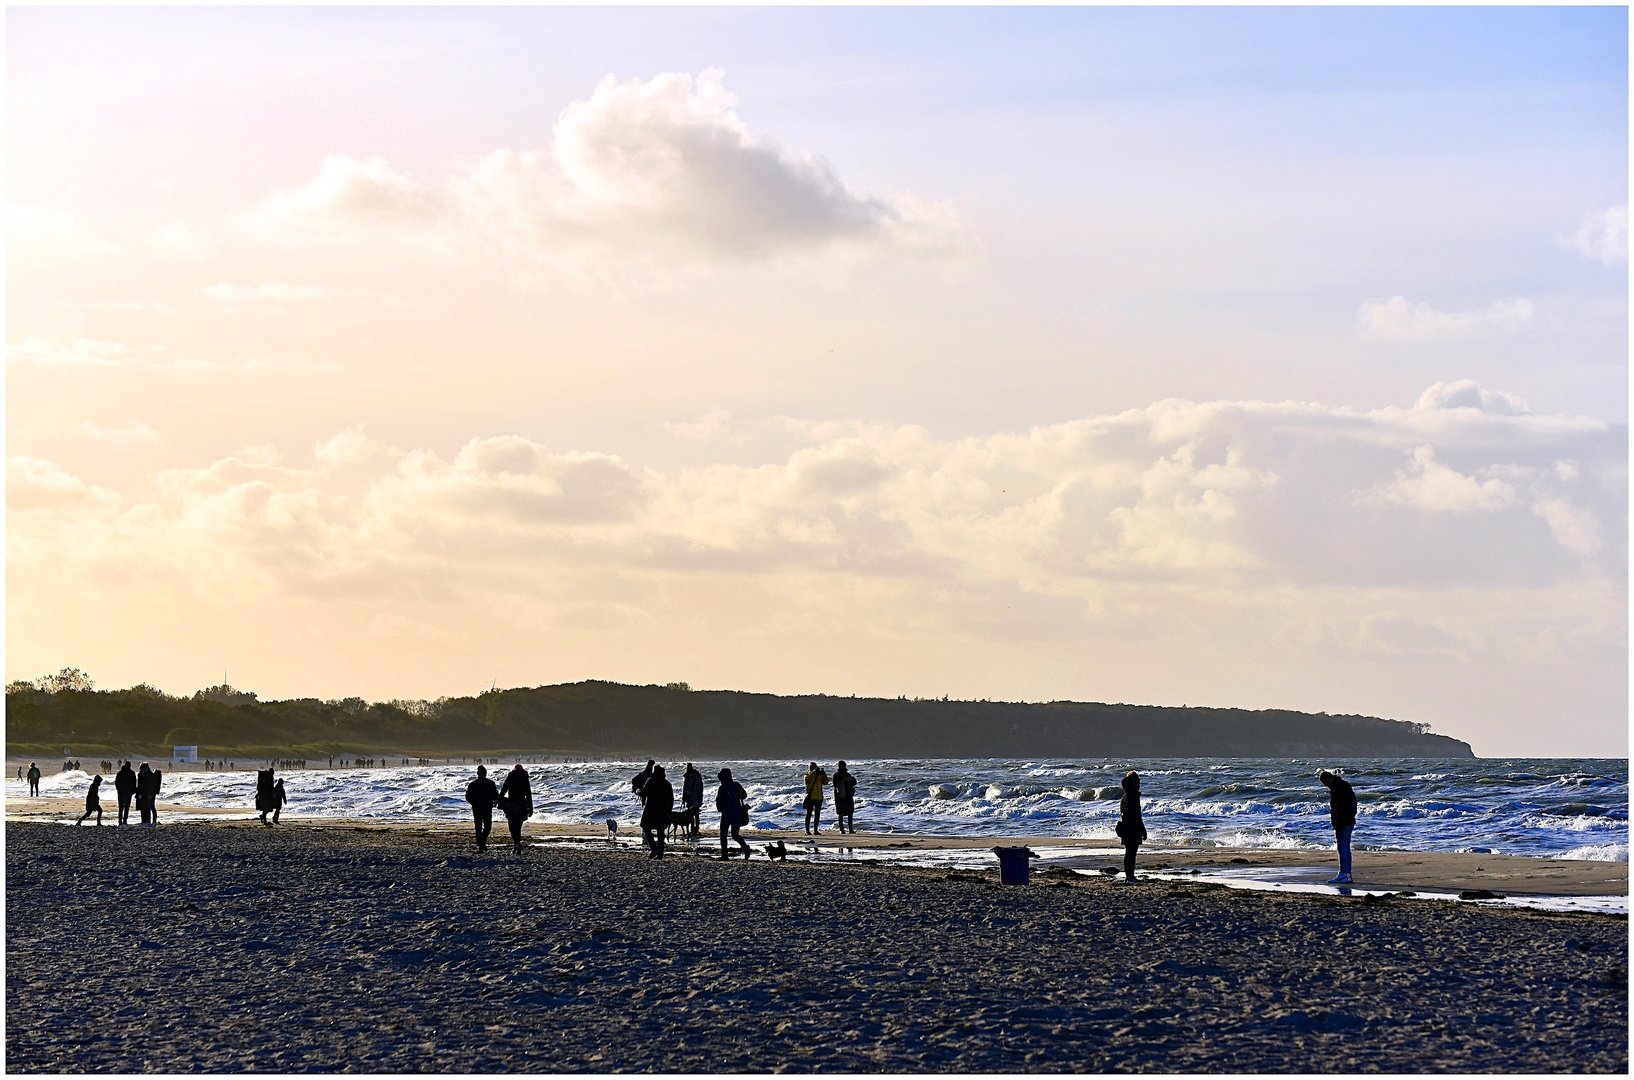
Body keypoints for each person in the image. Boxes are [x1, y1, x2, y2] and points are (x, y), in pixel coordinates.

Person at [1319, 769, 1357, 884]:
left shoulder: (1337, 788)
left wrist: (1337, 824)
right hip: (1349, 820)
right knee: (1345, 847)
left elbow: (1339, 808)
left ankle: (1344, 874)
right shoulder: (1344, 785)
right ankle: (1347, 874)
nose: (1326, 786)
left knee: (1342, 848)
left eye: (1325, 784)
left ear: (1328, 779)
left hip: (1343, 822)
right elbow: (1353, 802)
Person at [1115, 771, 1147, 884]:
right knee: (1131, 853)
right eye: (1137, 781)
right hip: (1132, 828)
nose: (1139, 783)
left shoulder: (1126, 796)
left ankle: (1129, 876)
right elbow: (1137, 815)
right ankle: (1130, 876)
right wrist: (1142, 830)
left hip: (1127, 828)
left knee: (1128, 852)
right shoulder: (1133, 796)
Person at [715, 767, 751, 859]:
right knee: (735, 834)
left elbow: (719, 801)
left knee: (723, 834)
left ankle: (725, 855)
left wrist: (721, 808)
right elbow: (744, 795)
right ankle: (745, 847)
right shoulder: (736, 785)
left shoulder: (722, 787)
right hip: (737, 812)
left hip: (727, 813)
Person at [640, 765, 674, 859]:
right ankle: (660, 853)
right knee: (660, 832)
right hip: (663, 810)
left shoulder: (650, 781)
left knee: (646, 828)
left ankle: (653, 849)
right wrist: (669, 811)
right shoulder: (667, 783)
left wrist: (638, 791)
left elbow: (644, 792)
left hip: (650, 809)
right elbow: (671, 799)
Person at [498, 764, 534, 854]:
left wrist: (499, 801)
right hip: (522, 805)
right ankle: (516, 845)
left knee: (512, 827)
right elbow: (528, 794)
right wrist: (530, 808)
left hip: (512, 805)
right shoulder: (525, 778)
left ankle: (516, 844)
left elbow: (504, 789)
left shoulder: (511, 776)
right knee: (518, 826)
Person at [465, 765, 499, 852]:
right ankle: (480, 845)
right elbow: (468, 796)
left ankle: (482, 842)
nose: (483, 775)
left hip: (487, 807)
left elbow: (495, 794)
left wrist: (494, 802)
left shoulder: (490, 784)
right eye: (481, 773)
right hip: (477, 808)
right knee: (478, 827)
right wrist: (474, 803)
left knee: (488, 827)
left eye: (484, 773)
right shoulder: (473, 785)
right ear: (478, 774)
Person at [803, 762, 829, 835]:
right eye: (813, 767)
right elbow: (807, 780)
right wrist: (814, 772)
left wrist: (824, 774)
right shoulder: (807, 775)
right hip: (811, 797)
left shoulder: (819, 776)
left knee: (817, 815)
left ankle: (815, 830)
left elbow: (826, 782)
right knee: (809, 814)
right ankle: (807, 830)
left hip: (819, 797)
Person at [832, 761, 857, 834]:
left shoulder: (847, 774)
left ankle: (850, 829)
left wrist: (852, 779)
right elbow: (835, 784)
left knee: (850, 812)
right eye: (842, 766)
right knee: (841, 813)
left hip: (848, 795)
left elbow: (854, 783)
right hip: (840, 796)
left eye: (844, 766)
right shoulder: (836, 775)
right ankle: (841, 829)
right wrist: (842, 781)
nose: (843, 767)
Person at [681, 763, 704, 838]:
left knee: (696, 814)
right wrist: (683, 798)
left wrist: (700, 799)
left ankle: (696, 830)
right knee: (690, 815)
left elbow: (700, 789)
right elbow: (684, 789)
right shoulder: (686, 777)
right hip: (689, 798)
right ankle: (692, 829)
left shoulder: (697, 777)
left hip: (696, 797)